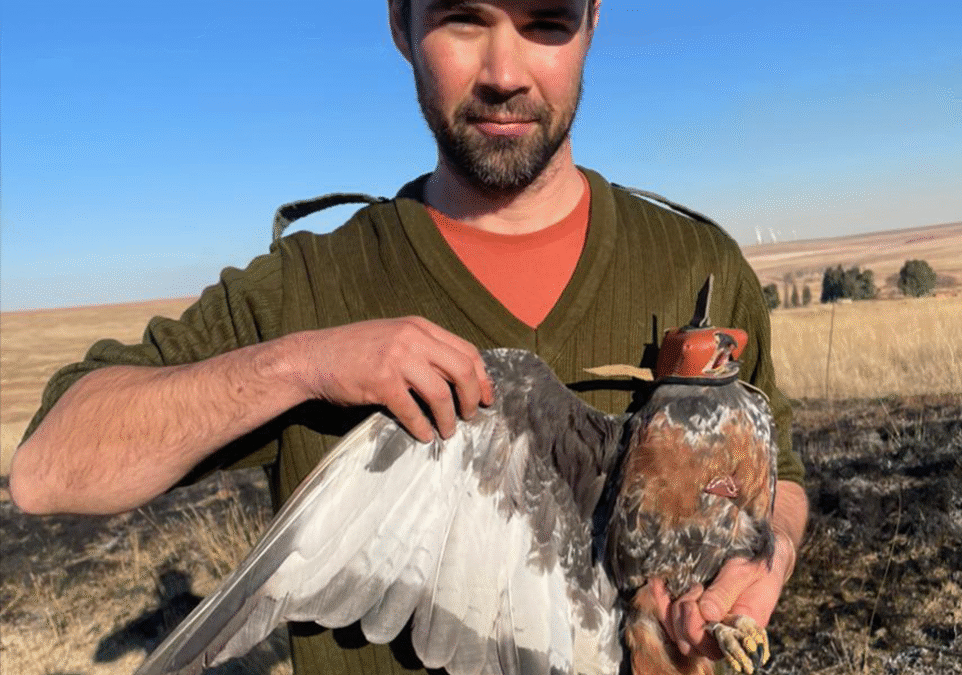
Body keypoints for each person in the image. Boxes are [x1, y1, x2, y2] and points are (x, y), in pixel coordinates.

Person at [11, 1, 809, 673]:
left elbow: (786, 485)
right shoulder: (311, 285)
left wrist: (761, 561)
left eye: (546, 22)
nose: (504, 71)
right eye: (463, 18)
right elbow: (49, 469)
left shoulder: (699, 266)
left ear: (595, 19)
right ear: (400, 20)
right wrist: (304, 361)